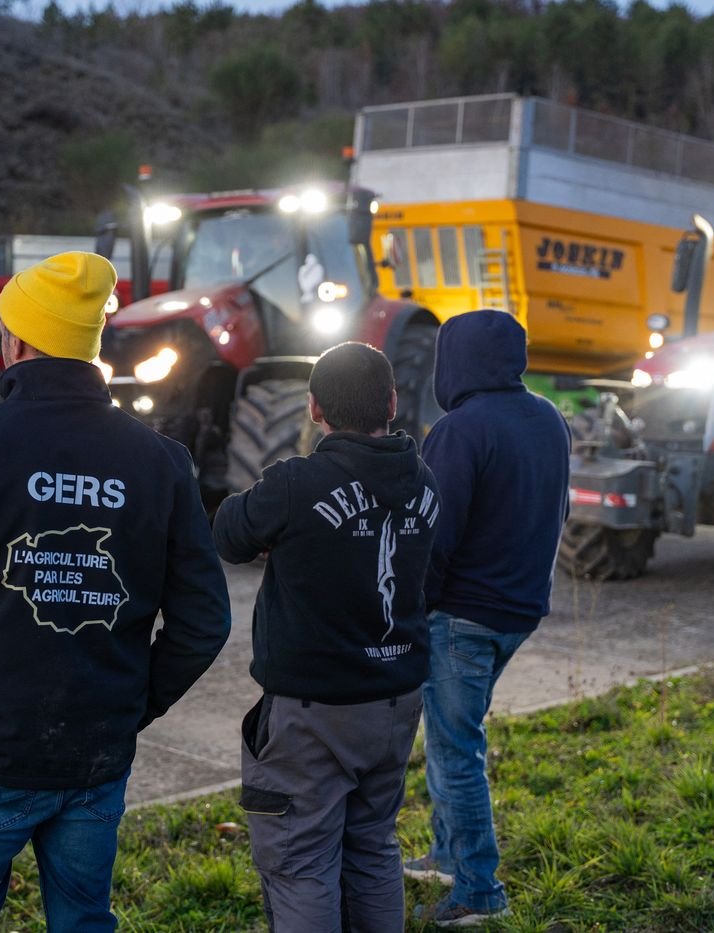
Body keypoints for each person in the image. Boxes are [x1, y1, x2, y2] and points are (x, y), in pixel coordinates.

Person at [0, 251, 231, 933]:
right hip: (97, 751)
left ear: (19, 342)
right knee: (84, 920)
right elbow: (204, 620)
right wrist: (131, 703)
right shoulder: (160, 463)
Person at [213, 341, 440, 933]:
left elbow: (229, 534)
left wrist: (284, 531)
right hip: (395, 701)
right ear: (391, 402)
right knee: (372, 847)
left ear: (314, 410)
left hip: (311, 712)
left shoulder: (296, 484)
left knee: (301, 862)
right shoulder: (426, 484)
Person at [403, 310, 571, 928]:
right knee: (456, 736)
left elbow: (433, 536)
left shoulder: (459, 429)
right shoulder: (549, 418)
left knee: (454, 749)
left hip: (462, 616)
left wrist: (415, 608)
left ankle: (478, 890)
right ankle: (448, 854)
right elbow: (562, 509)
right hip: (520, 610)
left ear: (455, 360)